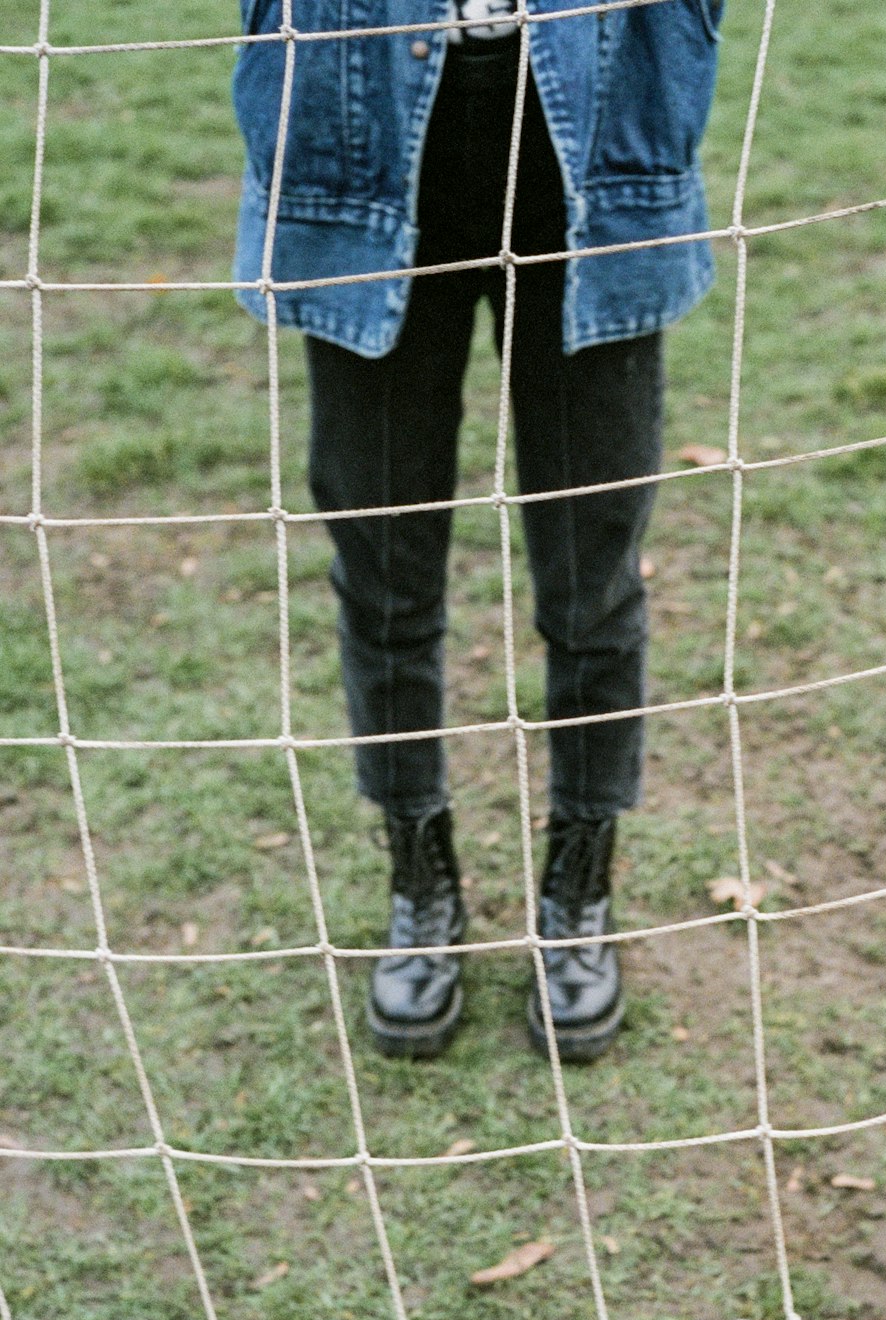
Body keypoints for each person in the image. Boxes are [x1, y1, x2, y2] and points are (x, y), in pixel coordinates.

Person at [231, 0, 723, 1061]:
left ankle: (579, 893)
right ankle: (421, 881)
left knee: (592, 575)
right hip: (358, 155)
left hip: (592, 152)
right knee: (383, 566)